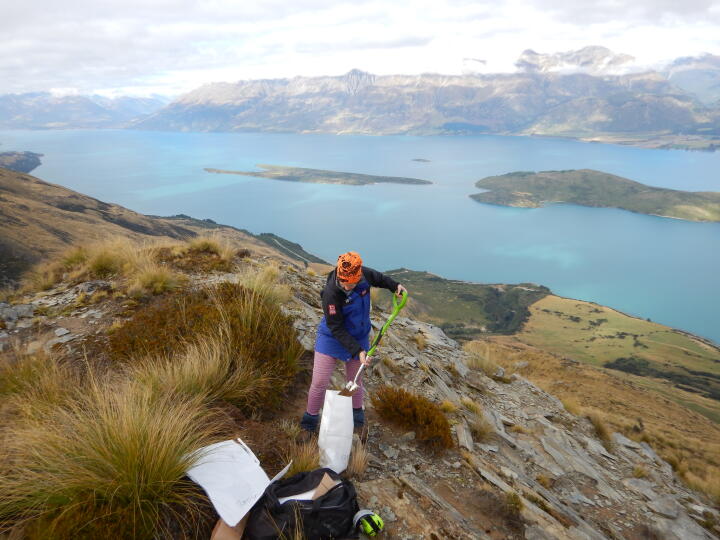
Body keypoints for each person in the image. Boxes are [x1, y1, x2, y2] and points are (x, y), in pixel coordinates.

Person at [300, 251, 407, 433]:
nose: (348, 286)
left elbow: (379, 278)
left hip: (359, 336)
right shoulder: (331, 294)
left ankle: (356, 417)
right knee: (319, 382)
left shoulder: (363, 274)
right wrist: (357, 350)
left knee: (355, 380)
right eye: (344, 282)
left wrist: (395, 285)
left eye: (352, 282)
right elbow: (336, 327)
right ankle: (309, 421)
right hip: (332, 338)